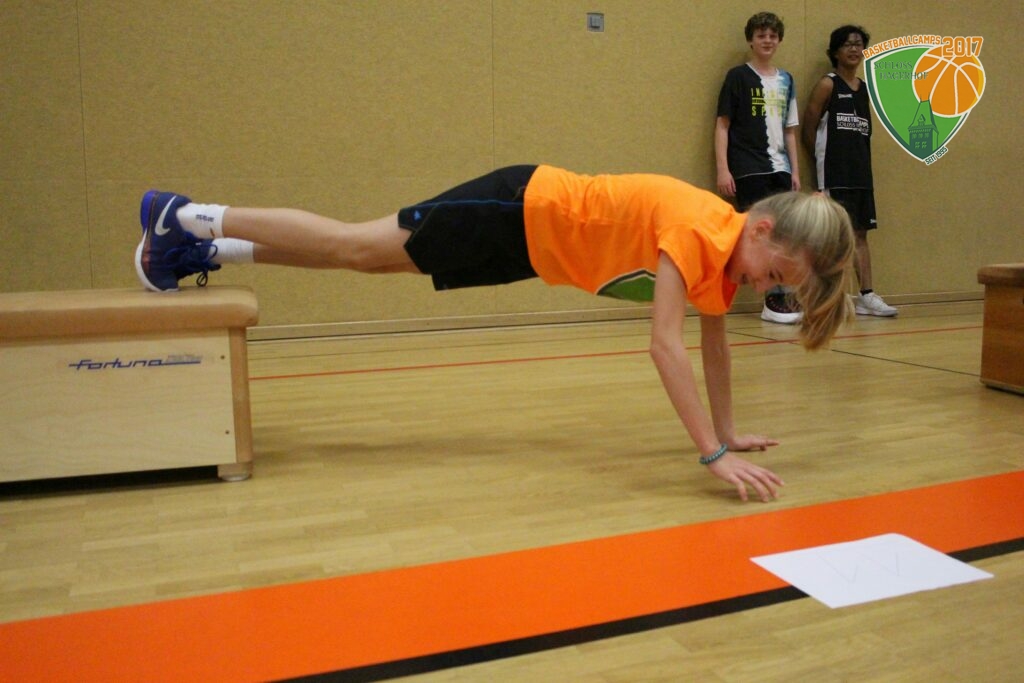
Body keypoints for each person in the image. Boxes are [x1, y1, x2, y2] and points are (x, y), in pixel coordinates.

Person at [136, 164, 854, 502]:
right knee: (356, 245)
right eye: (774, 271)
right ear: (761, 227)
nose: (765, 285)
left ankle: (204, 249)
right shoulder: (700, 231)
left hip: (525, 249)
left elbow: (714, 347)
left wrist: (730, 433)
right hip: (516, 208)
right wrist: (711, 455)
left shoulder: (724, 260)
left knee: (371, 262)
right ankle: (186, 214)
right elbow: (665, 344)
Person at [714, 11, 803, 325]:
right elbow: (722, 125)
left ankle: (784, 294)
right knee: (760, 234)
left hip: (780, 168)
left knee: (784, 233)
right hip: (749, 167)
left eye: (772, 36)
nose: (767, 40)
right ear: (751, 40)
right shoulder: (737, 77)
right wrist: (723, 169)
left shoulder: (787, 80)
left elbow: (790, 130)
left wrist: (795, 171)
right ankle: (771, 299)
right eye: (761, 35)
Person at [803, 25, 897, 316]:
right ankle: (828, 298)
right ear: (835, 51)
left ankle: (866, 296)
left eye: (858, 44)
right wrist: (822, 163)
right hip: (834, 174)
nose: (854, 49)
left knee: (860, 235)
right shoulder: (827, 84)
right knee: (833, 236)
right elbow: (809, 128)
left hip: (861, 175)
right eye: (847, 44)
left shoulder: (864, 89)